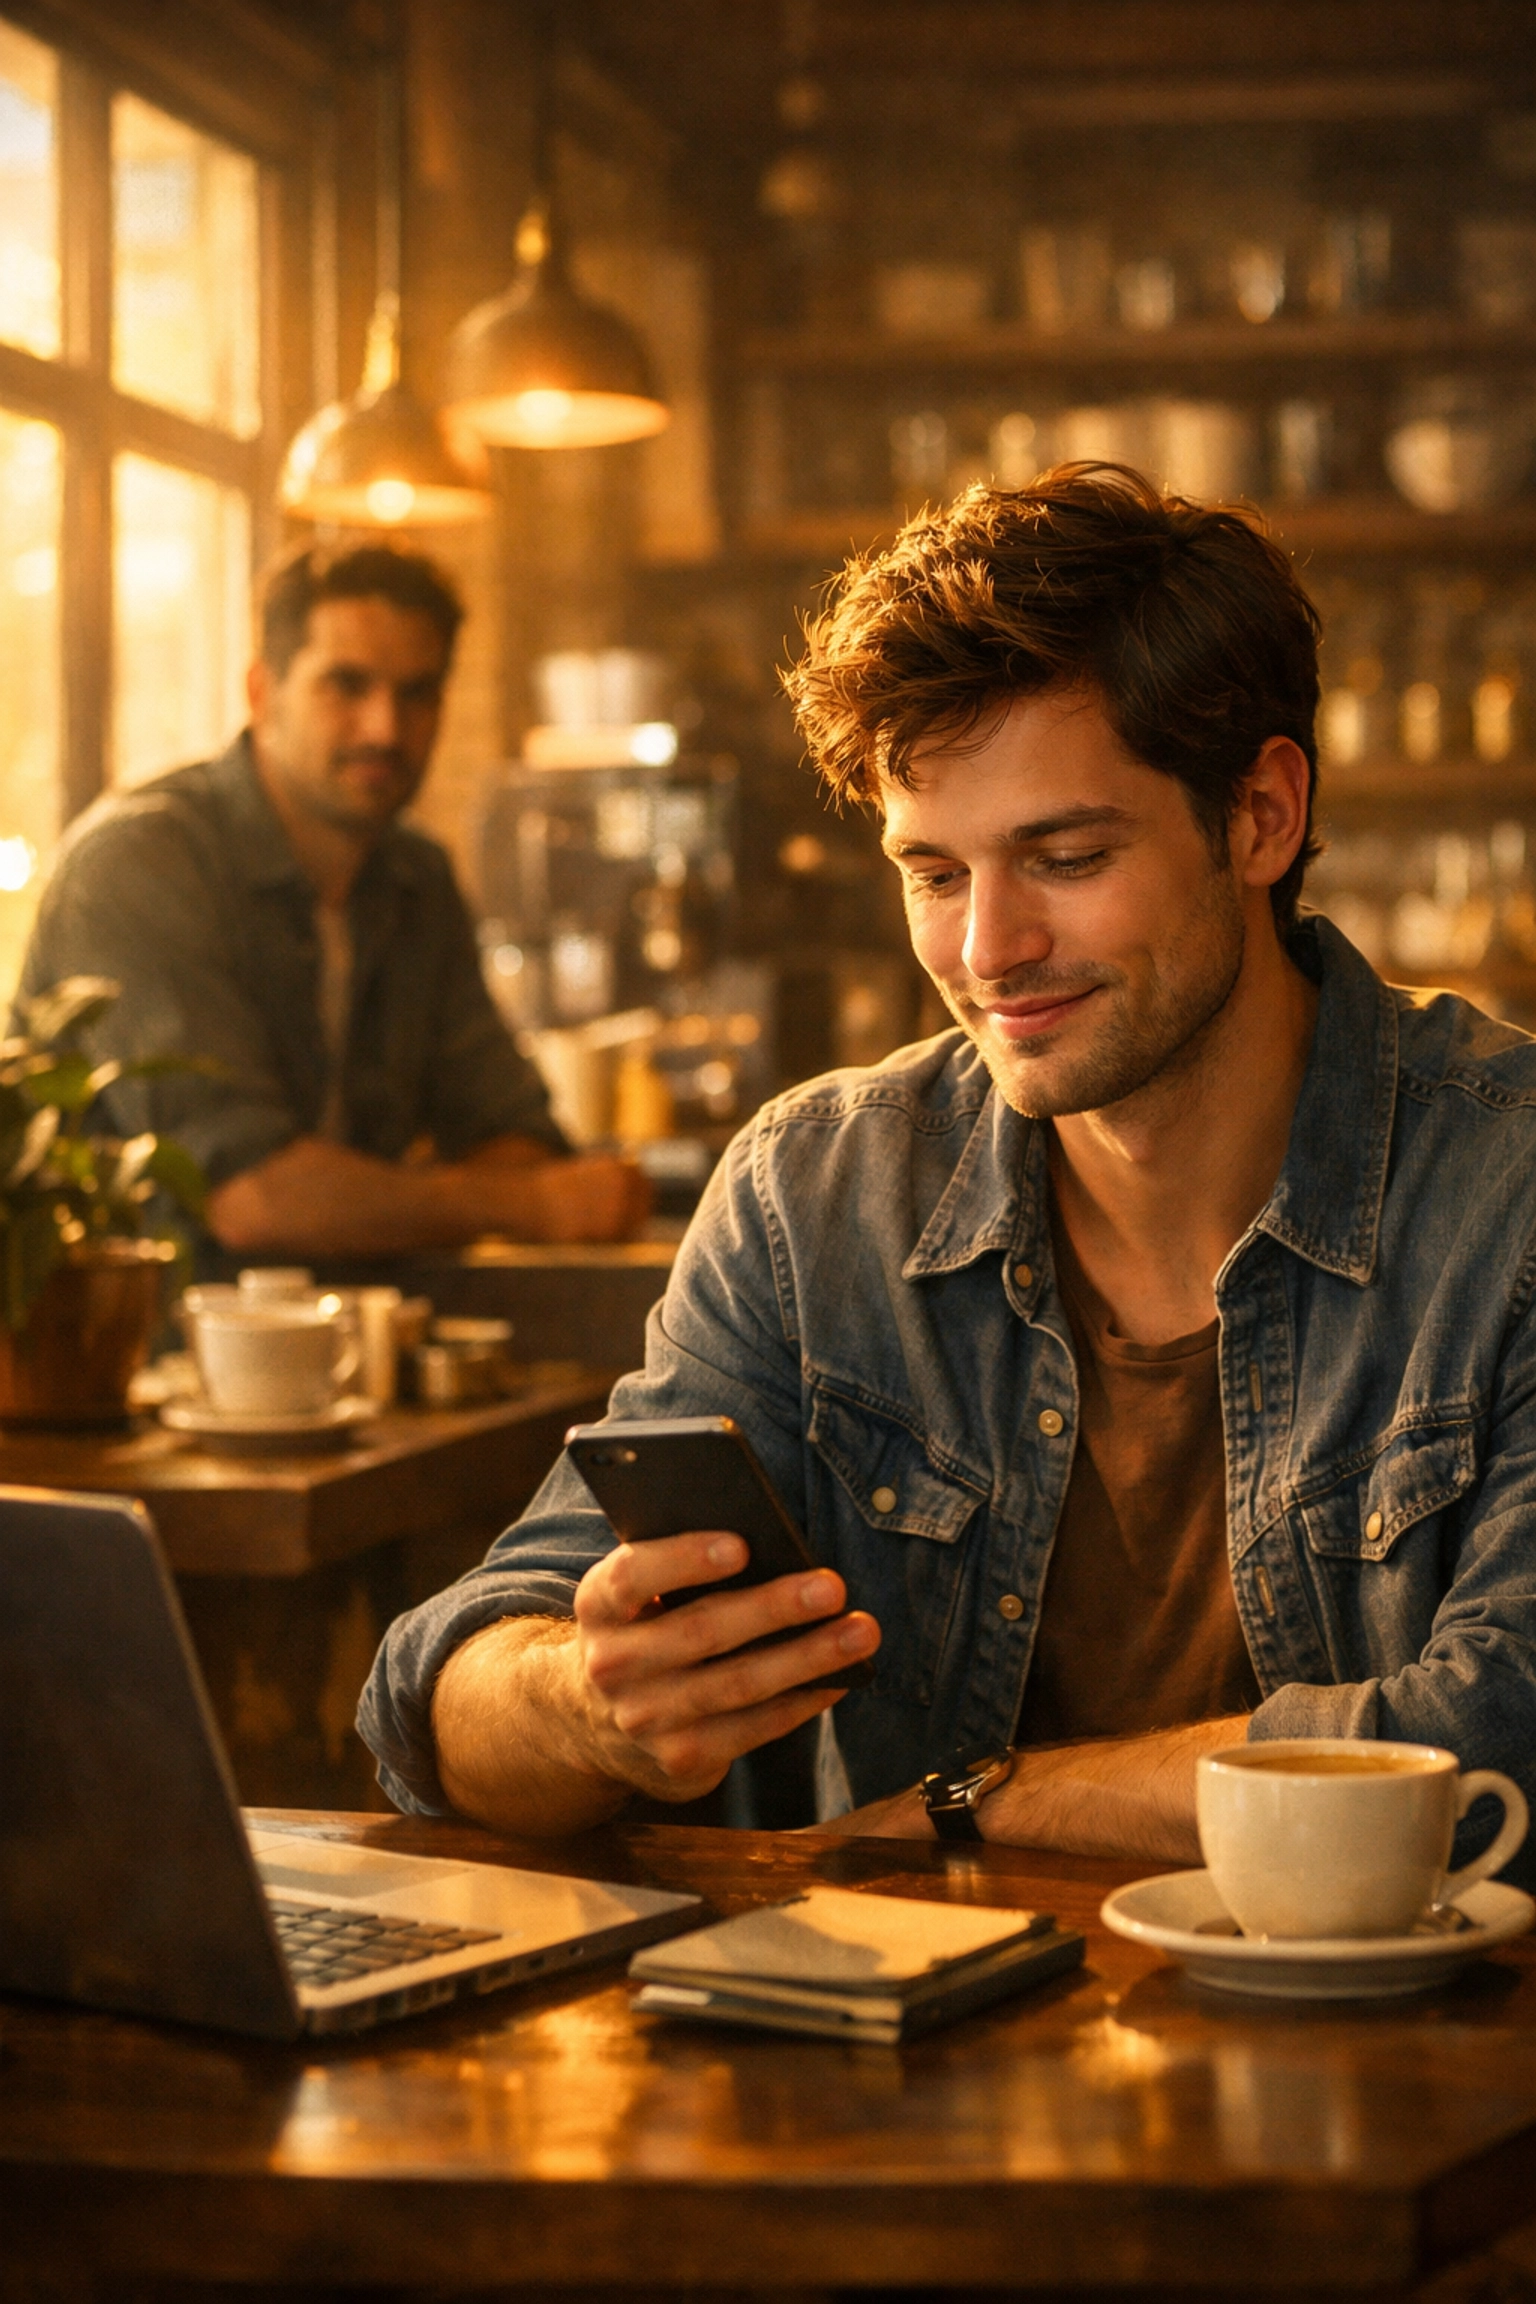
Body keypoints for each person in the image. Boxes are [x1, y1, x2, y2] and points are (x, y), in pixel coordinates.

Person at [358, 466, 1536, 1880]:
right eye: (932, 873)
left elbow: (1497, 1746)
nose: (987, 951)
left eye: (1067, 856)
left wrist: (973, 1804)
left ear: (1261, 817)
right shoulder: (815, 1197)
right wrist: (588, 1703)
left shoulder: (1508, 1188)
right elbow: (436, 1705)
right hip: (914, 2019)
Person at [16, 545, 648, 1259]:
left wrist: (392, 1199)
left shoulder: (415, 876)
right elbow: (250, 1200)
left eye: (417, 693)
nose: (385, 728)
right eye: (346, 685)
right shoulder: (140, 865)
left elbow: (516, 1133)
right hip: (135, 1329)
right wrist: (521, 1205)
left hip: (369, 1319)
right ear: (262, 692)